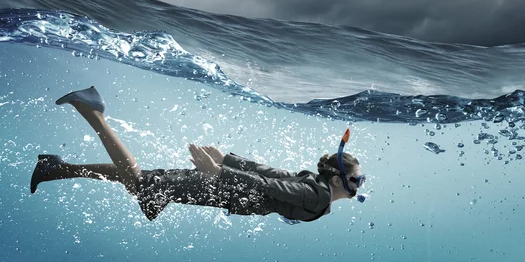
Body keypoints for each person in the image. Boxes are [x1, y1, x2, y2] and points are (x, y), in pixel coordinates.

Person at [30, 86, 366, 222]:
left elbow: (273, 174)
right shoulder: (319, 197)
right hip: (219, 188)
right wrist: (222, 173)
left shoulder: (313, 189)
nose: (359, 184)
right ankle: (92, 111)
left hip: (221, 186)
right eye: (357, 178)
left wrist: (228, 161)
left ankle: (56, 168)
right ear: (338, 179)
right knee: (140, 182)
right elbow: (270, 188)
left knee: (144, 181)